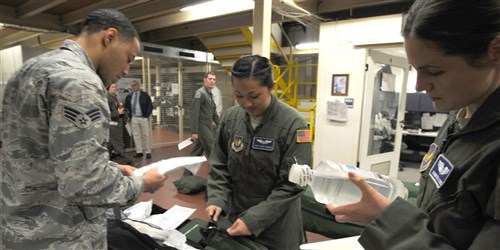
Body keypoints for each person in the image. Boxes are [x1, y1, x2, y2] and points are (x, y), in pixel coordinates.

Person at [327, 0, 500, 249]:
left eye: (434, 71)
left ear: (495, 50)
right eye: (416, 70)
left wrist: (389, 220)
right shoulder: (460, 116)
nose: (419, 85)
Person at [1, 9, 168, 249]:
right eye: (128, 58)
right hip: (61, 235)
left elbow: (43, 153)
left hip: (19, 227)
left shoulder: (30, 69)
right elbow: (85, 183)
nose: (125, 71)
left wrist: (111, 167)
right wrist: (142, 184)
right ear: (109, 37)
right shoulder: (80, 81)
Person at [205, 55, 312, 249]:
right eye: (239, 95)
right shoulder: (230, 119)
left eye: (254, 96)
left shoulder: (294, 125)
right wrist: (217, 197)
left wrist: (254, 220)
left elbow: (292, 185)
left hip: (277, 227)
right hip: (236, 216)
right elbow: (219, 164)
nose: (246, 103)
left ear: (272, 86)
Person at [189, 71, 220, 157]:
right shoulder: (200, 93)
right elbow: (194, 113)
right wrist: (194, 131)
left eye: (214, 79)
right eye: (210, 79)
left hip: (207, 126)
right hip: (202, 126)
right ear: (204, 80)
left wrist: (221, 125)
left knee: (195, 153)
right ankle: (217, 170)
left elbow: (214, 113)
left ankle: (188, 171)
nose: (212, 81)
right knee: (213, 150)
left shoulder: (209, 94)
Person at [106, 82, 137, 166]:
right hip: (113, 126)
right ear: (108, 88)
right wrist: (118, 113)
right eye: (113, 87)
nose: (115, 88)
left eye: (115, 87)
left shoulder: (114, 98)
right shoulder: (108, 99)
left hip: (116, 125)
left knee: (109, 146)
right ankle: (131, 163)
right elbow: (106, 114)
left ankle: (104, 164)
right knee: (119, 146)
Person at [125, 80, 154, 159]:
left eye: (134, 85)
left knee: (146, 135)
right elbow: (127, 107)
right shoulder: (129, 96)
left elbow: (150, 105)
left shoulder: (144, 95)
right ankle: (139, 151)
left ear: (138, 86)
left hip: (143, 117)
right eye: (132, 85)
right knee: (136, 135)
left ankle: (148, 152)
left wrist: (147, 115)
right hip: (134, 118)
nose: (133, 87)